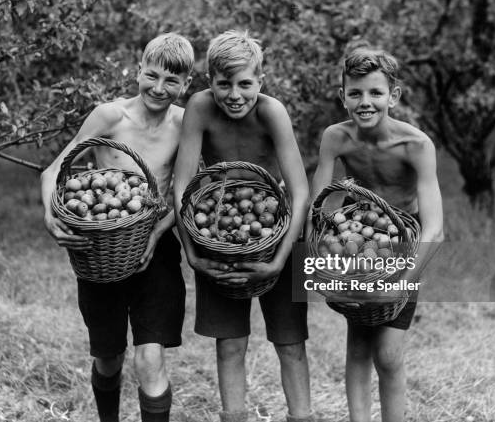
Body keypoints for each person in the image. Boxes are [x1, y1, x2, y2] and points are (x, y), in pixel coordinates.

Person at [40, 33, 194, 422]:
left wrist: (157, 235)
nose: (159, 88)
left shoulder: (184, 123)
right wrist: (49, 214)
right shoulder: (110, 116)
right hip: (102, 251)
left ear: (186, 84)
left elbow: (187, 190)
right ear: (138, 70)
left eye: (172, 81)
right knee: (109, 359)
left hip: (154, 249)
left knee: (150, 358)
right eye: (152, 75)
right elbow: (55, 169)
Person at [173, 30, 314, 422]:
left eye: (245, 84)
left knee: (291, 344)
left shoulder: (272, 112)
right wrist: (192, 251)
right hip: (219, 236)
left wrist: (279, 259)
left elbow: (300, 193)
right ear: (209, 82)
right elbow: (181, 186)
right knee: (230, 343)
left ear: (261, 81)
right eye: (224, 84)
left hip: (275, 235)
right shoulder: (199, 108)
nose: (235, 94)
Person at [309, 46, 444, 422]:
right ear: (343, 97)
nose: (365, 102)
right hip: (357, 246)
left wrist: (403, 282)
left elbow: (435, 229)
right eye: (355, 93)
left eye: (375, 93)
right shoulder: (336, 137)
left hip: (404, 246)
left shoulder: (416, 145)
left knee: (388, 354)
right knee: (358, 347)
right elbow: (319, 211)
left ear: (394, 96)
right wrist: (322, 259)